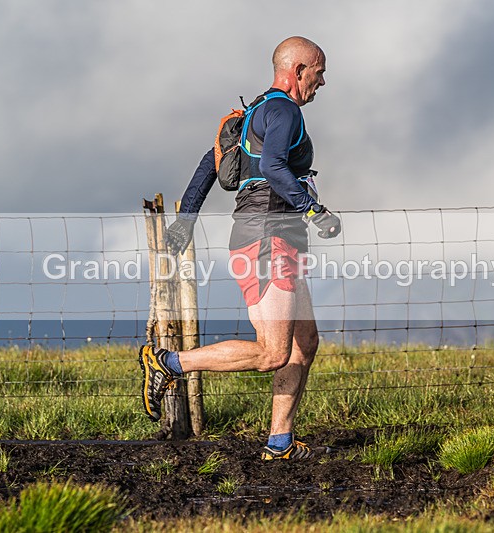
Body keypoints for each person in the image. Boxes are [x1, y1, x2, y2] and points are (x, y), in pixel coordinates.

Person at [140, 36, 341, 461]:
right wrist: (314, 210)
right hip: (267, 237)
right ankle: (168, 363)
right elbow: (271, 167)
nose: (322, 83)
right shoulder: (284, 110)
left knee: (305, 342)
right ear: (298, 70)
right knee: (272, 352)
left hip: (271, 236)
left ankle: (280, 442)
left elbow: (207, 163)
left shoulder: (251, 114)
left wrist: (185, 222)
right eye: (319, 73)